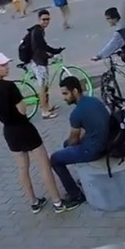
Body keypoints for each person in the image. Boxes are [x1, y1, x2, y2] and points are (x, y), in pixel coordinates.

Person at [0, 53, 78, 213]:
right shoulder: (9, 86)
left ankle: (34, 202)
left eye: (7, 64)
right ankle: (57, 202)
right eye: (3, 65)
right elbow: (22, 110)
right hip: (24, 128)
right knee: (44, 165)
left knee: (22, 168)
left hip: (9, 131)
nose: (7, 67)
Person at [49, 76, 111, 206]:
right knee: (68, 146)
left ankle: (75, 195)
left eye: (65, 94)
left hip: (94, 149)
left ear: (75, 91)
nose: (64, 98)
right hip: (107, 141)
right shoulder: (94, 100)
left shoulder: (76, 113)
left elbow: (73, 141)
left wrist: (69, 143)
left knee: (55, 159)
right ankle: (81, 179)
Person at [28, 9, 64, 119]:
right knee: (42, 87)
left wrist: (50, 54)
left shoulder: (40, 30)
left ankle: (47, 107)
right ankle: (44, 111)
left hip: (41, 60)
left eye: (48, 19)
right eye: (44, 19)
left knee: (45, 85)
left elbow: (42, 47)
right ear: (39, 19)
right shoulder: (37, 32)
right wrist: (54, 52)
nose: (46, 22)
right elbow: (41, 47)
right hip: (38, 62)